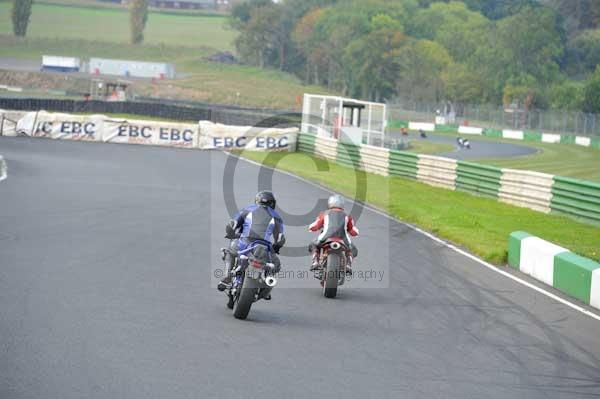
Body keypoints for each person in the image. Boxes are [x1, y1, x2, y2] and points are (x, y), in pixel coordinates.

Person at [220, 190, 285, 289]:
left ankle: (227, 276)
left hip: (245, 242)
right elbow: (280, 238)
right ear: (273, 203)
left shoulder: (247, 209)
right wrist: (276, 247)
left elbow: (233, 224)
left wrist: (230, 234)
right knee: (276, 264)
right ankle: (266, 285)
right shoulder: (277, 217)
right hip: (265, 247)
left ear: (257, 201)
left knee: (229, 252)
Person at [308, 194, 359, 275]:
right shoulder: (347, 216)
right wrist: (356, 233)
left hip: (325, 238)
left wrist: (310, 228)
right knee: (353, 250)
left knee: (313, 245)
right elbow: (353, 230)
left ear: (330, 203)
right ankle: (348, 265)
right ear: (342, 204)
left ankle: (315, 262)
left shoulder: (324, 214)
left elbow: (315, 225)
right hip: (343, 240)